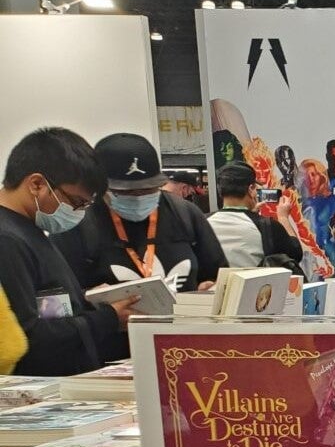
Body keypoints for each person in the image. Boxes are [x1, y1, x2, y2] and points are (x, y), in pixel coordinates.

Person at [0, 128, 135, 376]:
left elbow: (44, 303)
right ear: (37, 184)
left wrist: (85, 299)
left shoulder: (29, 229)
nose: (79, 212)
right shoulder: (7, 240)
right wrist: (107, 318)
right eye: (76, 202)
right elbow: (29, 335)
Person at [53, 134, 226, 295]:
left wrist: (210, 288)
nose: (138, 198)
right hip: (113, 327)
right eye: (126, 192)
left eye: (148, 190)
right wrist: (90, 303)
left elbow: (218, 274)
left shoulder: (185, 214)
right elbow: (58, 298)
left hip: (183, 325)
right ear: (100, 187)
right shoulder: (76, 224)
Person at [207, 162, 305, 270]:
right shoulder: (267, 226)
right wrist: (283, 218)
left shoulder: (203, 223)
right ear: (251, 189)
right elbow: (295, 254)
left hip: (215, 286)